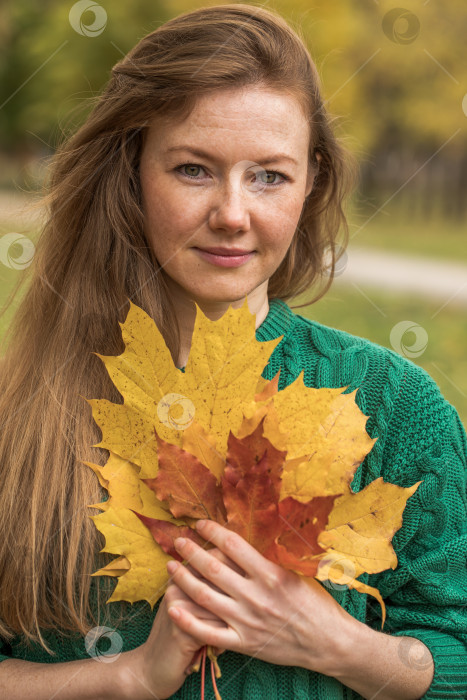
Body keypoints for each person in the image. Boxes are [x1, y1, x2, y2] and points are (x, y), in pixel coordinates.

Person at [0, 4, 465, 699]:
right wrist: (126, 677)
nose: (232, 213)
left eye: (268, 176)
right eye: (192, 169)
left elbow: (453, 650)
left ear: (311, 183)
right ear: (130, 173)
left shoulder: (391, 405)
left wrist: (339, 646)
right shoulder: (27, 409)